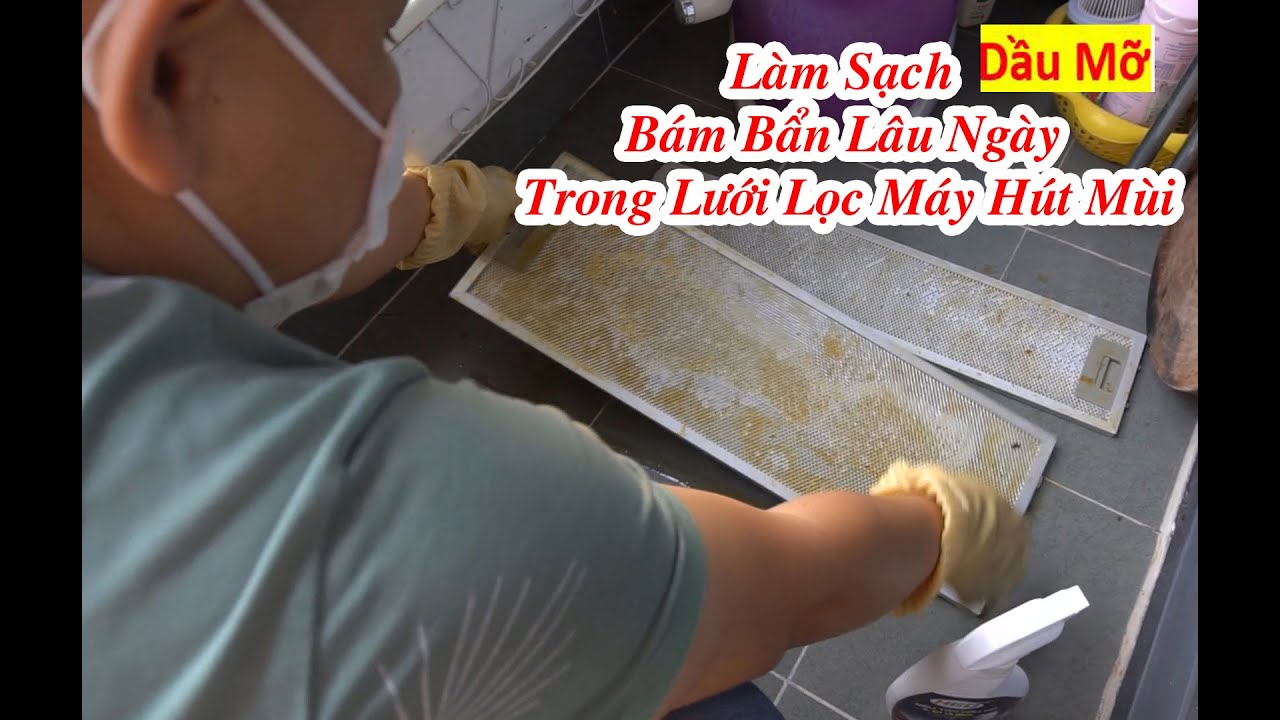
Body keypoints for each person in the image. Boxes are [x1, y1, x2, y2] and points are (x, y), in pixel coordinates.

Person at [81, 1, 1031, 718]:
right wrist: (929, 525)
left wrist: (436, 212)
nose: (387, 91)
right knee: (701, 681)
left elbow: (251, 211)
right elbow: (790, 585)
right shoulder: (411, 515)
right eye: (376, 37)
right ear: (166, 74)